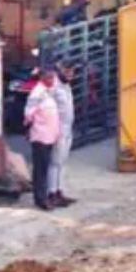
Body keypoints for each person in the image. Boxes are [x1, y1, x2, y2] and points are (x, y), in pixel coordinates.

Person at [24, 67, 63, 210]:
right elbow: (28, 114)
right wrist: (30, 129)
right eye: (49, 78)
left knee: (45, 167)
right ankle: (40, 199)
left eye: (53, 77)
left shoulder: (48, 92)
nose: (52, 80)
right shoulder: (37, 93)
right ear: (42, 78)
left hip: (49, 135)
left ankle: (44, 196)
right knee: (40, 169)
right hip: (40, 135)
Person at [50, 65, 78, 208]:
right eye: (67, 71)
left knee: (62, 162)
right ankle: (52, 193)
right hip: (57, 129)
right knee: (55, 163)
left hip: (67, 129)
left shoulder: (66, 86)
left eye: (72, 72)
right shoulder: (53, 86)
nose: (70, 75)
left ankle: (60, 191)